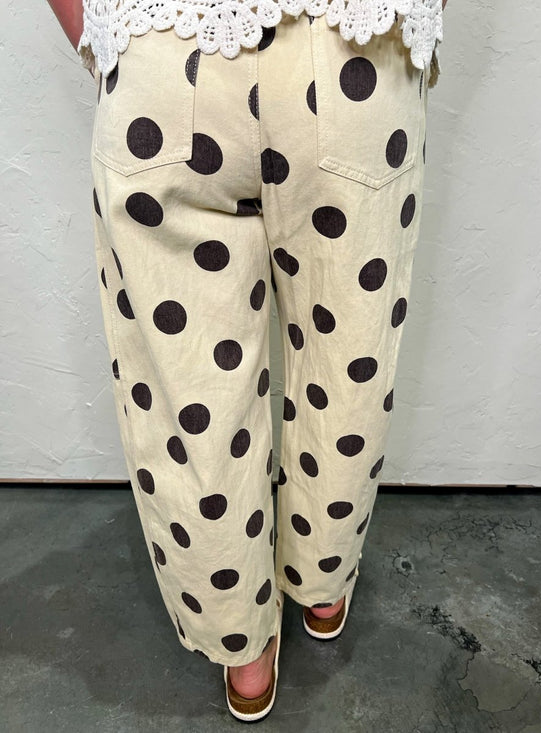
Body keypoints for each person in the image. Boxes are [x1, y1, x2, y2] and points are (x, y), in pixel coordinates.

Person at [47, 0, 447, 722]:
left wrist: (99, 32)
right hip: (355, 62)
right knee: (348, 361)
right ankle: (322, 582)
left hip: (163, 63)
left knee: (190, 392)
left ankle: (244, 648)